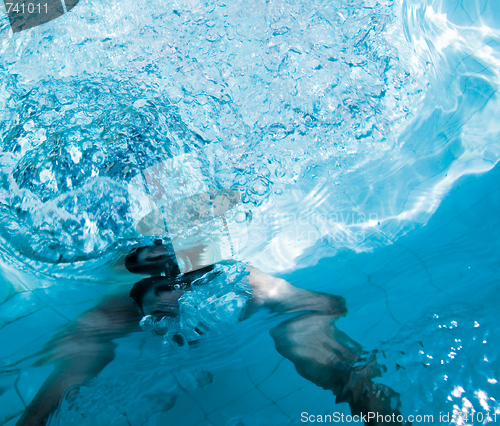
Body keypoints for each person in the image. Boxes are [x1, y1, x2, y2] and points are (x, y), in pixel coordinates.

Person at [16, 241, 406, 426]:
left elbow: (323, 304)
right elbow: (75, 360)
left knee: (295, 330)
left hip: (176, 242)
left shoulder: (231, 277)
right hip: (132, 251)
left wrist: (357, 385)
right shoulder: (118, 308)